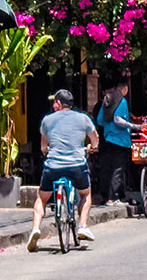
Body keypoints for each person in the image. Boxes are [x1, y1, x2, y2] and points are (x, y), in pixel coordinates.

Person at [27, 89, 99, 250]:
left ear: (58, 103)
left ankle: (35, 228)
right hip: (76, 165)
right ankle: (82, 226)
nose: (53, 104)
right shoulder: (83, 118)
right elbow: (95, 138)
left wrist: (46, 150)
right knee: (86, 194)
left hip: (53, 166)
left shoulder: (47, 120)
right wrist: (92, 147)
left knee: (42, 198)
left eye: (55, 102)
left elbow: (43, 145)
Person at [94, 76, 143, 205]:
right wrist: (134, 126)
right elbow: (118, 119)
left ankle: (109, 196)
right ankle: (113, 198)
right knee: (118, 169)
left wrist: (109, 129)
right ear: (125, 89)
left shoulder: (108, 99)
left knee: (107, 168)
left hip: (108, 138)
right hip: (120, 140)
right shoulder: (121, 101)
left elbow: (100, 121)